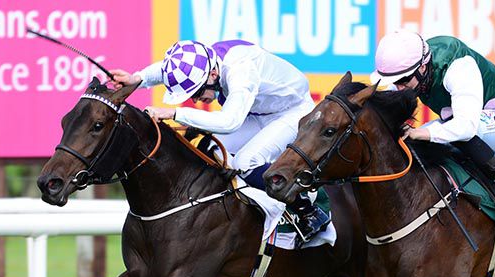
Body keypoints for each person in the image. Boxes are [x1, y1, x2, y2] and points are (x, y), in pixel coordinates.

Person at [110, 39, 330, 242]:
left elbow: (229, 122)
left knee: (245, 161)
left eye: (197, 92)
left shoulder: (241, 71)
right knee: (208, 147)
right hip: (259, 113)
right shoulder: (206, 61)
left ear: (213, 74)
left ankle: (308, 210)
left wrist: (173, 113)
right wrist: (137, 79)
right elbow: (170, 68)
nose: (195, 100)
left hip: (294, 113)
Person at [371, 30, 495, 221]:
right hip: (475, 118)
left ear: (422, 67)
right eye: (393, 81)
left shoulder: (458, 66)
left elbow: (466, 127)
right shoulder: (411, 65)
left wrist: (422, 133)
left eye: (403, 80)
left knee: (455, 133)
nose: (398, 87)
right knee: (415, 139)